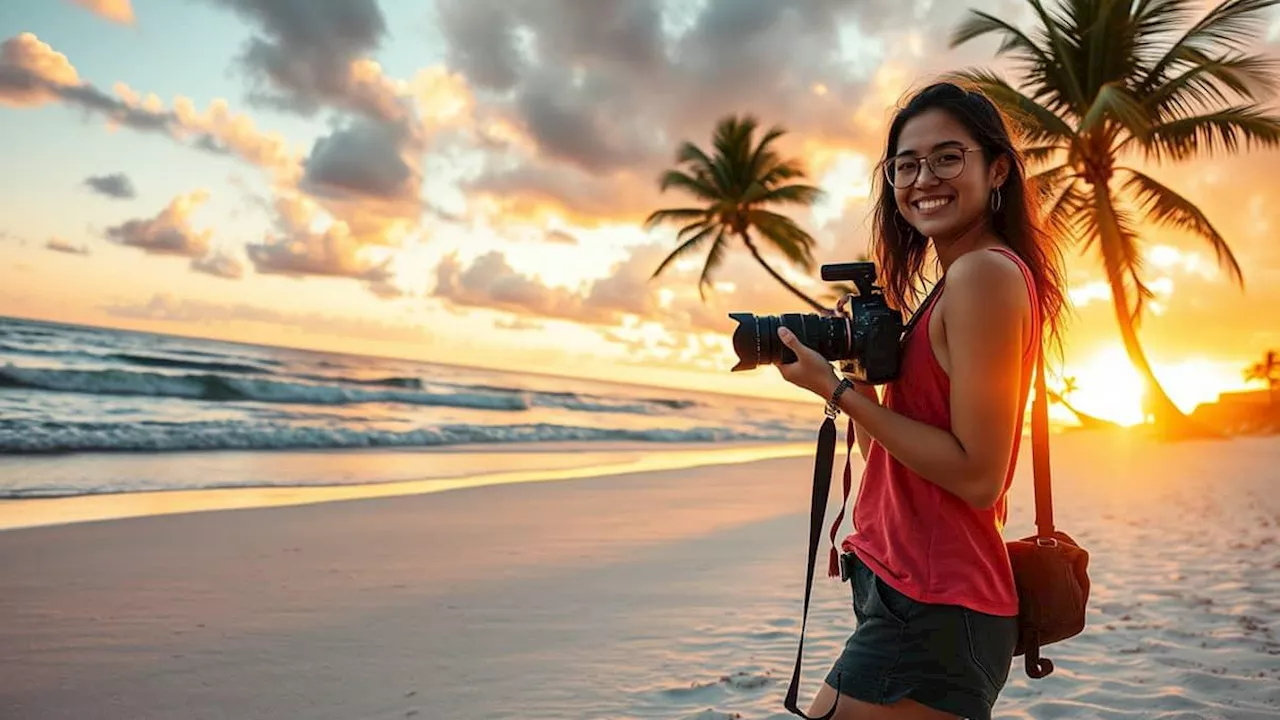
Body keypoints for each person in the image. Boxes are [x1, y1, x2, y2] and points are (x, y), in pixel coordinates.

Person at [774, 80, 1068, 720]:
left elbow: (979, 476)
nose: (922, 178)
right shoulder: (957, 280)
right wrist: (869, 371)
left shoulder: (983, 274)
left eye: (947, 157)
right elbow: (908, 446)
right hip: (908, 594)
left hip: (936, 606)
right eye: (905, 164)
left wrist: (838, 390)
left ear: (996, 170)